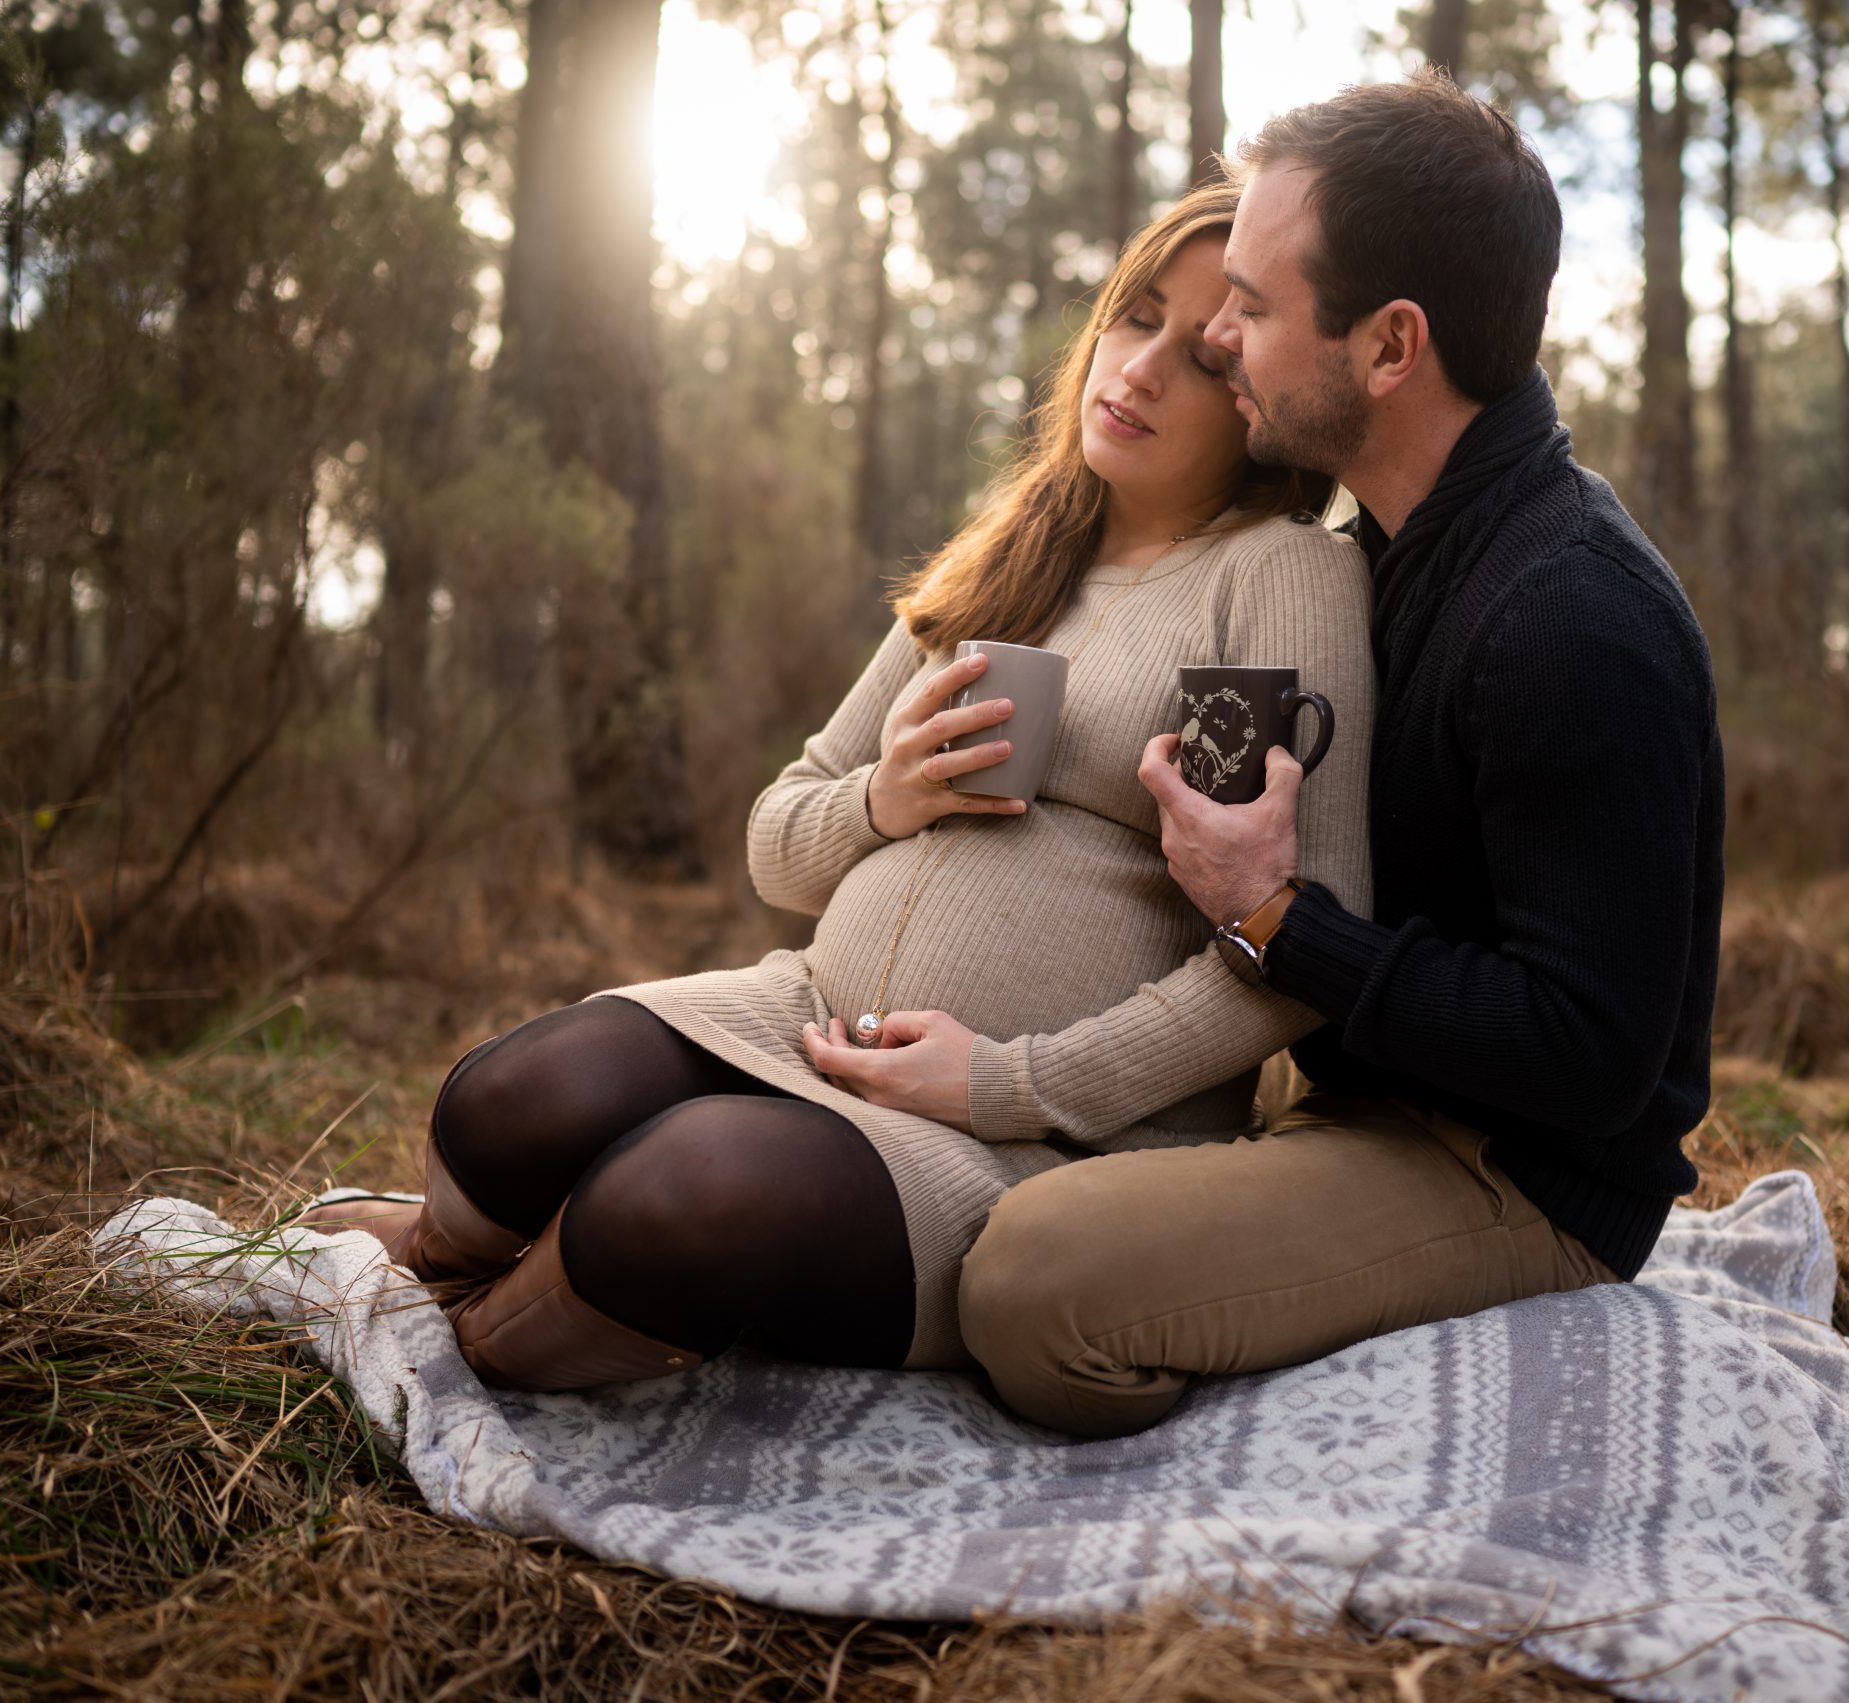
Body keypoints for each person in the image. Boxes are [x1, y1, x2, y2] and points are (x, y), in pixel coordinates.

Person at [295, 182, 1377, 1391]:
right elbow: (777, 844)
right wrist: (886, 797)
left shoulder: (1275, 575)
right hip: (811, 1018)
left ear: (1257, 402)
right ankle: (438, 1256)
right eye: (1132, 317)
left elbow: (1284, 958)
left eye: (1201, 353)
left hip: (1038, 1135)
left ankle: (444, 1356)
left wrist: (1006, 1083)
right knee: (514, 1095)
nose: (1136, 371)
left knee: (684, 1188)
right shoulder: (1017, 548)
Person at [956, 72, 1726, 1439]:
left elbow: (1591, 1054)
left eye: (1251, 306)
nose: (1221, 342)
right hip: (1348, 1103)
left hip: (1513, 1176)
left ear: (1389, 347)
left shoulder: (1573, 613)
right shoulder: (1370, 556)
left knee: (1031, 1276)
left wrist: (1277, 920)